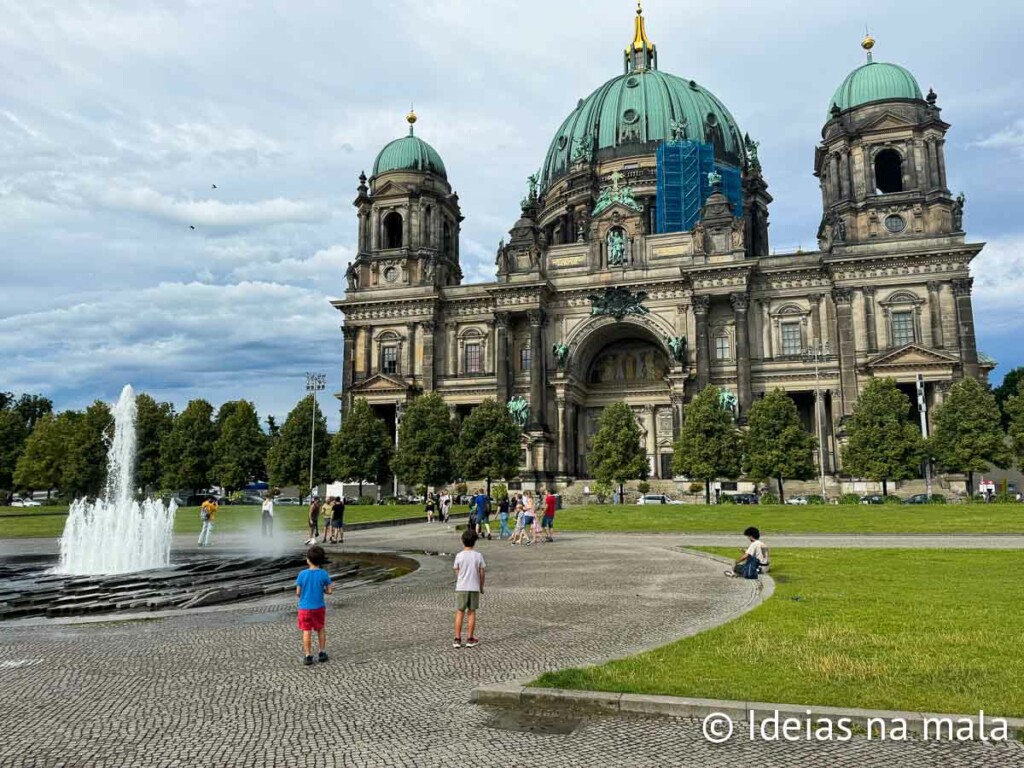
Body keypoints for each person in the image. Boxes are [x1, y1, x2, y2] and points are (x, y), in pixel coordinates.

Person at [295, 544, 334, 665]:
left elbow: (298, 593)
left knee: (306, 631)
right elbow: (330, 591)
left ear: (308, 560)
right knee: (320, 629)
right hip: (318, 607)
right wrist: (322, 590)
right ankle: (322, 652)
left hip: (305, 608)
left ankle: (308, 655)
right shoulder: (323, 574)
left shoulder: (302, 574)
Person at [452, 529, 485, 649]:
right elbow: (481, 572)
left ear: (462, 541)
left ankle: (457, 638)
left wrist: (460, 577)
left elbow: (456, 569)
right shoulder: (478, 556)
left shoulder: (459, 556)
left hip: (461, 587)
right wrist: (481, 586)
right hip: (474, 587)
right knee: (471, 613)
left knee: (459, 612)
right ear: (475, 542)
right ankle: (470, 638)